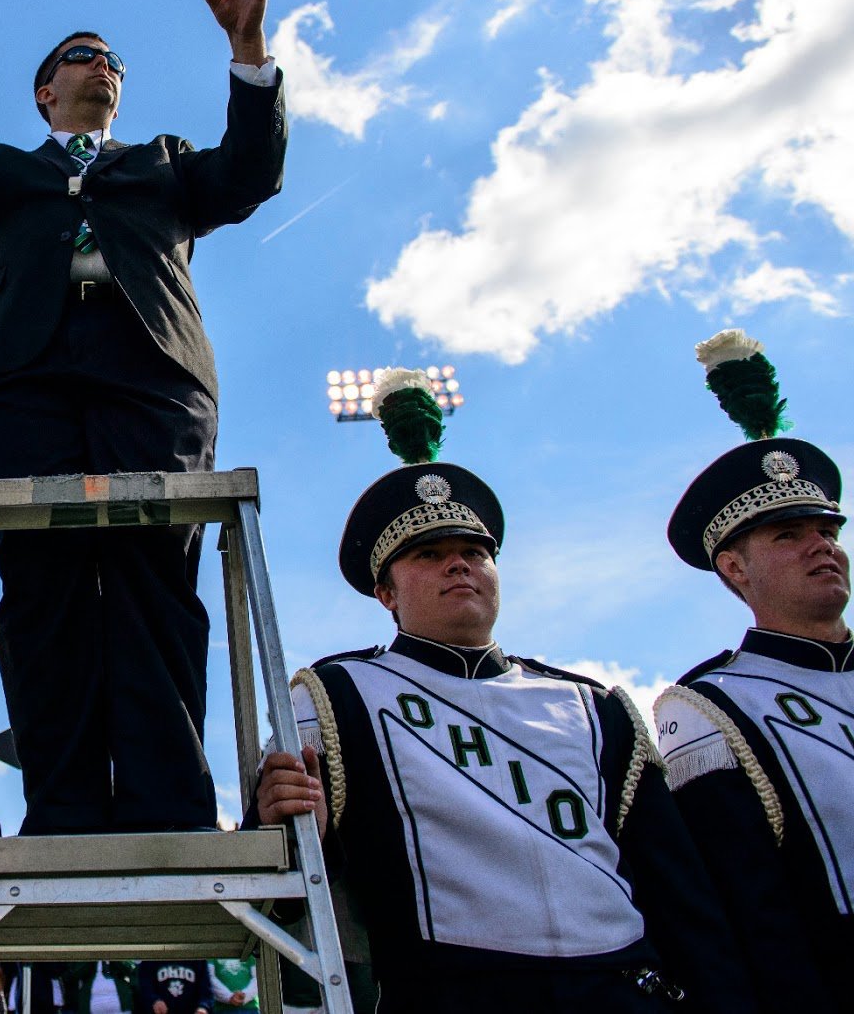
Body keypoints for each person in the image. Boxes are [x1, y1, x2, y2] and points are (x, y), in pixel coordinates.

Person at [0, 0, 286, 833]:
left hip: (153, 385)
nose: (105, 68)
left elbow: (251, 174)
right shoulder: (3, 173)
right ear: (46, 89)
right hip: (23, 385)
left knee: (154, 583)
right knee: (44, 589)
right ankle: (65, 806)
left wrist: (247, 53)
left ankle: (172, 807)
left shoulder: (164, 162)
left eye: (115, 61)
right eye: (84, 57)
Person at [255, 370, 755, 1013]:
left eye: (473, 551)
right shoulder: (336, 697)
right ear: (386, 592)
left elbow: (683, 899)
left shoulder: (593, 706)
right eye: (429, 554)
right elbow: (284, 896)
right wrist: (290, 827)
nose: (458, 564)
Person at [652, 329, 854, 1012]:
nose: (821, 548)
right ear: (734, 567)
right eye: (789, 535)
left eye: (827, 532)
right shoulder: (712, 705)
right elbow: (753, 915)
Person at [132, 960, 210, 1014]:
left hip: (190, 1009)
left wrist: (203, 1007)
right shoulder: (153, 952)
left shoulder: (197, 956)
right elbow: (144, 984)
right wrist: (154, 1000)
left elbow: (206, 989)